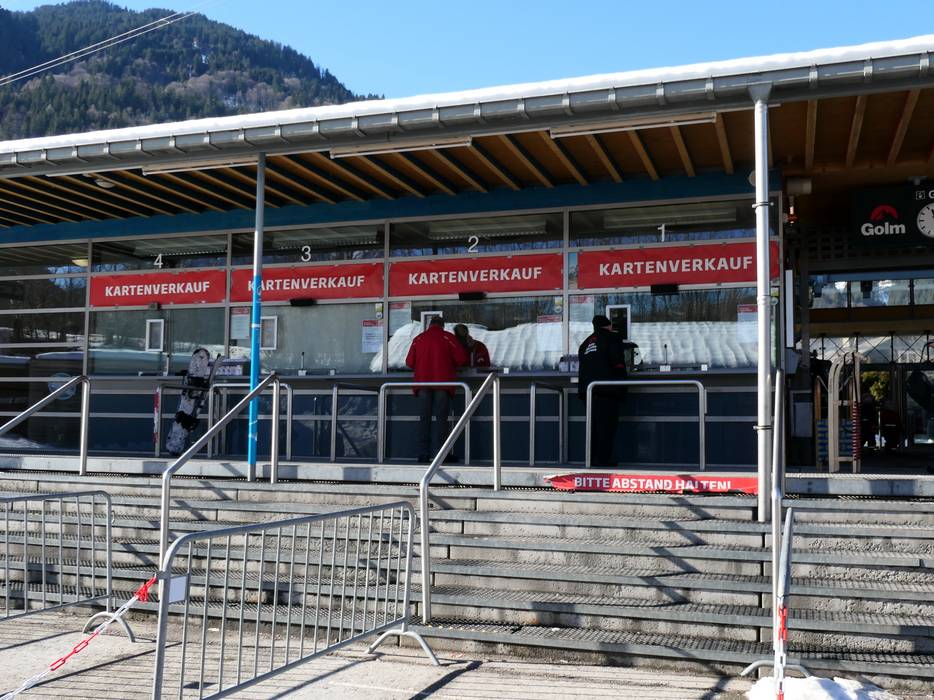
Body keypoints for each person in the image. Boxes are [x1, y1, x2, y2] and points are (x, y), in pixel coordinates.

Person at [405, 317, 468, 463]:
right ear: (442, 325)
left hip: (423, 384)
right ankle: (442, 454)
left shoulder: (419, 338)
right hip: (442, 384)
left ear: (429, 325)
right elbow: (461, 359)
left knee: (424, 418)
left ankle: (423, 453)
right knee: (441, 419)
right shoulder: (448, 337)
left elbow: (409, 362)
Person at [577, 314, 628, 467]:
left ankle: (591, 460)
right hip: (607, 390)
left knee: (593, 427)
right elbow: (618, 364)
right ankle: (602, 462)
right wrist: (623, 386)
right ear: (609, 325)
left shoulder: (585, 343)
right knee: (606, 427)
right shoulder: (613, 338)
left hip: (588, 392)